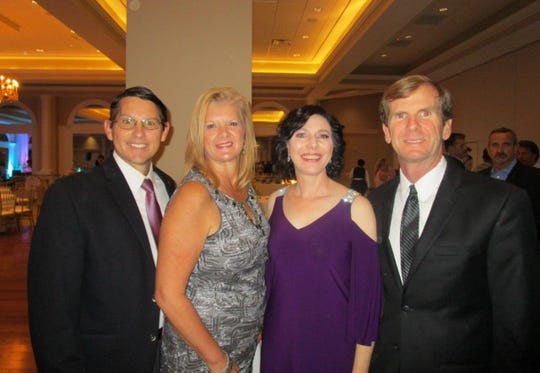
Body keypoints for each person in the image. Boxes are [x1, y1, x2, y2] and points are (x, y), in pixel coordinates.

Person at [368, 75, 540, 372]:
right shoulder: (372, 204)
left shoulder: (499, 202)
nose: (412, 126)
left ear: (446, 126)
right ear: (386, 131)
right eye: (400, 116)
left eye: (425, 113)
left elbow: (517, 319)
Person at [27, 86, 176, 372]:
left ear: (164, 131)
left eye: (150, 123)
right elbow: (51, 305)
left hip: (169, 354)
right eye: (127, 122)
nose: (139, 133)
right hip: (105, 360)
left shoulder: (170, 189)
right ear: (109, 128)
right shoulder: (71, 196)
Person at [155, 87, 269, 373]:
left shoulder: (244, 189)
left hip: (241, 347)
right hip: (202, 357)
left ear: (245, 133)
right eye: (211, 125)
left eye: (232, 123)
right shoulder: (195, 195)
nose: (223, 133)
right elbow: (167, 294)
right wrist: (218, 361)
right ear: (199, 136)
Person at [261, 105, 383, 373]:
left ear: (334, 146)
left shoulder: (357, 208)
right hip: (279, 344)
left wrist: (360, 370)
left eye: (323, 136)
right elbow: (270, 285)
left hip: (334, 348)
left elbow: (367, 303)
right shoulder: (274, 203)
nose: (312, 145)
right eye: (301, 135)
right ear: (287, 146)